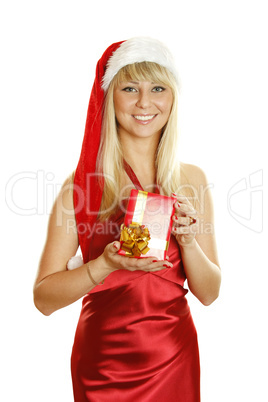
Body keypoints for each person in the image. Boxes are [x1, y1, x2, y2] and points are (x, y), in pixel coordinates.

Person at [33, 37, 221, 402]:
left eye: (158, 88)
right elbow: (44, 299)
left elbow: (210, 294)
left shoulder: (192, 180)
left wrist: (187, 240)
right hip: (103, 363)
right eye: (130, 88)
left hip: (174, 355)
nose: (145, 102)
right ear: (109, 98)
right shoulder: (82, 185)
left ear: (172, 98)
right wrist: (102, 264)